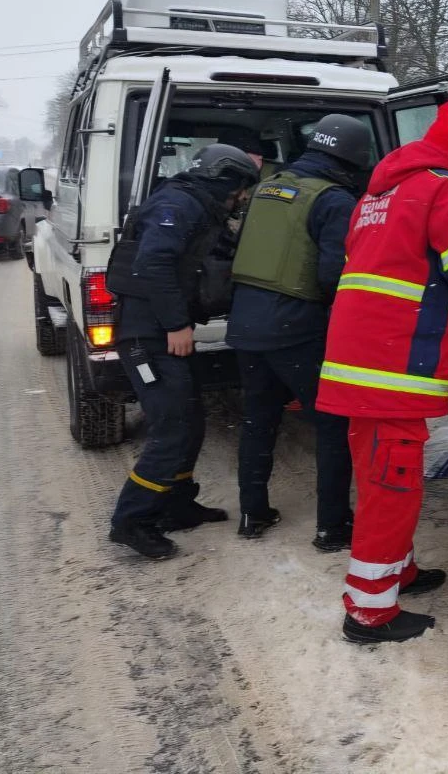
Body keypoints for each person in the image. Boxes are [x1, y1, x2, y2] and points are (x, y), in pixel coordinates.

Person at [317, 100, 448, 643]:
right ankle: (369, 611)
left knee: (378, 478)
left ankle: (397, 572)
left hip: (360, 360)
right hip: (395, 366)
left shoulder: (379, 192)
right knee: (392, 488)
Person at [106, 144, 261, 559]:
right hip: (147, 336)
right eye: (240, 187)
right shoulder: (176, 205)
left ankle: (176, 504)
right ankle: (131, 520)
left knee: (190, 421)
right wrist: (176, 324)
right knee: (172, 427)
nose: (242, 196)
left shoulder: (195, 205)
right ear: (221, 179)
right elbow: (153, 263)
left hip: (165, 332)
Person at [226, 115, 373, 550]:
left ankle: (253, 512)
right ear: (353, 159)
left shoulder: (267, 187)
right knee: (332, 423)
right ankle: (332, 527)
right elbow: (332, 275)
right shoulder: (334, 200)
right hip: (297, 327)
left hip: (245, 323)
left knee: (258, 419)